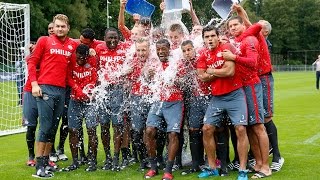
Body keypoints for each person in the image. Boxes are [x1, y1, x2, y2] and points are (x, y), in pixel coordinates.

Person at [233, 3, 284, 172]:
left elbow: (249, 24)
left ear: (265, 32)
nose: (253, 25)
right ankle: (259, 156)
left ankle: (276, 155)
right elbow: (247, 24)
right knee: (254, 121)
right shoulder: (250, 36)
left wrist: (242, 14)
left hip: (262, 79)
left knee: (265, 118)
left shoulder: (258, 37)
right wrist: (240, 11)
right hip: (251, 80)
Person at [28, 14, 78, 178]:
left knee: (53, 129)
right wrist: (35, 84)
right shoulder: (44, 40)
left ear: (67, 28)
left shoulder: (72, 45)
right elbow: (32, 62)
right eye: (57, 26)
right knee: (45, 127)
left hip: (61, 91)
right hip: (45, 89)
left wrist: (76, 88)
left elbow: (69, 72)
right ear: (53, 27)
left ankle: (46, 162)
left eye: (63, 26)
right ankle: (39, 167)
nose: (60, 29)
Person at [196, 25, 249, 180]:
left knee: (240, 129)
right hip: (217, 97)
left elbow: (230, 71)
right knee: (207, 129)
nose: (210, 39)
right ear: (203, 39)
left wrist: (211, 71)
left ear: (218, 37)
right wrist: (217, 72)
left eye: (213, 36)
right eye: (207, 37)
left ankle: (242, 170)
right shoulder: (203, 54)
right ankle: (212, 168)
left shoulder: (227, 47)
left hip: (235, 95)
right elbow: (202, 76)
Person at [223, 15, 272, 178]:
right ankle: (258, 163)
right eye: (230, 26)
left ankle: (266, 166)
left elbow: (252, 62)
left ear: (243, 25)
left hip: (251, 85)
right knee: (250, 126)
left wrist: (233, 58)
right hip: (242, 87)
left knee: (258, 126)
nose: (233, 28)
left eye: (236, 25)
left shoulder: (249, 40)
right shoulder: (239, 40)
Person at [144, 39, 185, 180]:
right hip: (158, 101)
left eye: (163, 49)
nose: (160, 52)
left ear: (169, 49)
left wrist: (176, 79)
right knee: (149, 131)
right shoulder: (154, 64)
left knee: (173, 134)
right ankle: (153, 167)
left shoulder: (177, 63)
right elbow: (149, 82)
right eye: (158, 49)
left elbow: (186, 83)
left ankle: (168, 170)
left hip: (174, 102)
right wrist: (148, 77)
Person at [95, 27, 129, 171]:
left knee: (117, 125)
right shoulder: (98, 49)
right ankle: (108, 157)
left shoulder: (125, 49)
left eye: (115, 37)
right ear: (104, 38)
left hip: (118, 90)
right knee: (104, 126)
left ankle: (116, 157)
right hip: (103, 90)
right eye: (110, 38)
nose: (113, 40)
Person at [63, 44, 98, 172]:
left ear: (87, 56)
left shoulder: (93, 59)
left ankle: (92, 161)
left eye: (83, 58)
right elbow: (69, 78)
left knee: (91, 130)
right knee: (73, 130)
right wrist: (78, 90)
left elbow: (95, 78)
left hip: (90, 101)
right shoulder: (71, 59)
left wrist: (89, 91)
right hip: (75, 100)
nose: (80, 60)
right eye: (78, 57)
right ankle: (75, 161)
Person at [179, 40, 209, 176]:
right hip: (193, 100)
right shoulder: (183, 64)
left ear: (194, 49)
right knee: (193, 130)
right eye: (184, 51)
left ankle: (215, 161)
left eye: (189, 49)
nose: (187, 53)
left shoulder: (201, 59)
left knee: (210, 130)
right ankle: (196, 163)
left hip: (208, 98)